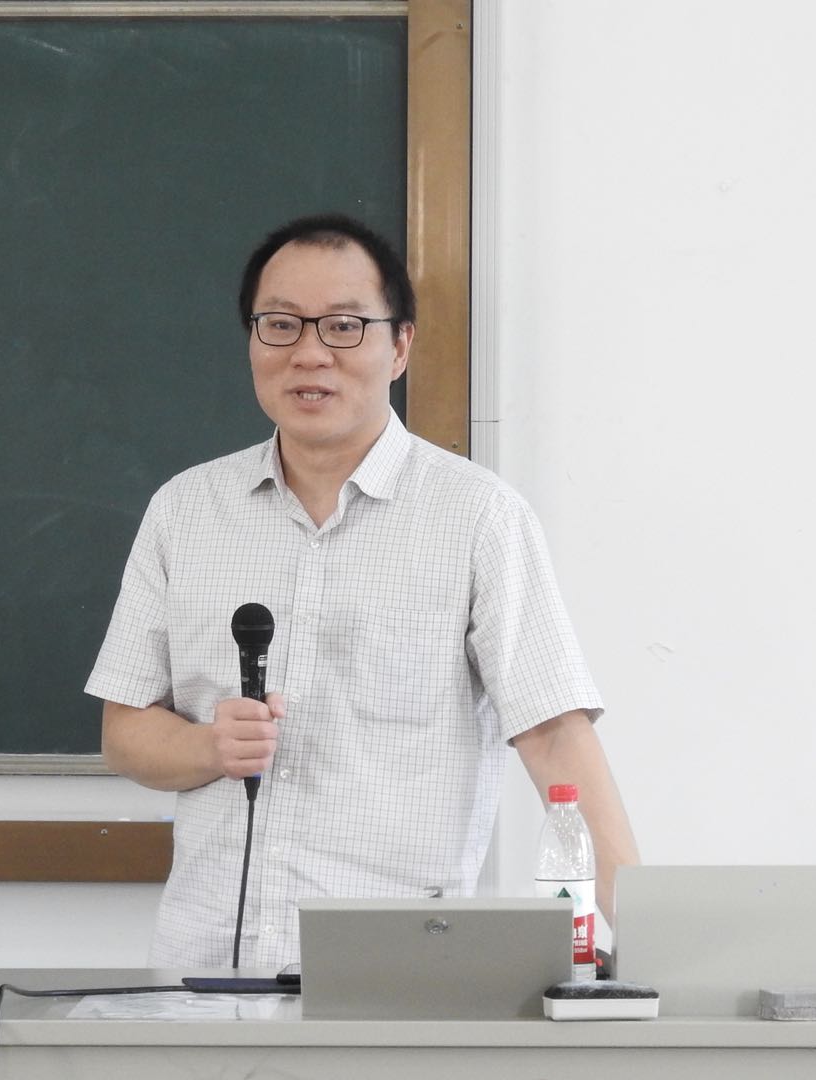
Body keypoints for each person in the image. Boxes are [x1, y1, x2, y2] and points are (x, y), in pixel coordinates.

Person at [86, 213, 638, 969]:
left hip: (400, 969)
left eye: (345, 327)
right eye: (281, 324)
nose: (310, 352)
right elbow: (125, 730)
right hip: (206, 967)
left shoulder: (478, 517)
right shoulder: (186, 511)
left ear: (400, 346)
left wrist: (649, 936)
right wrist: (207, 745)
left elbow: (553, 733)